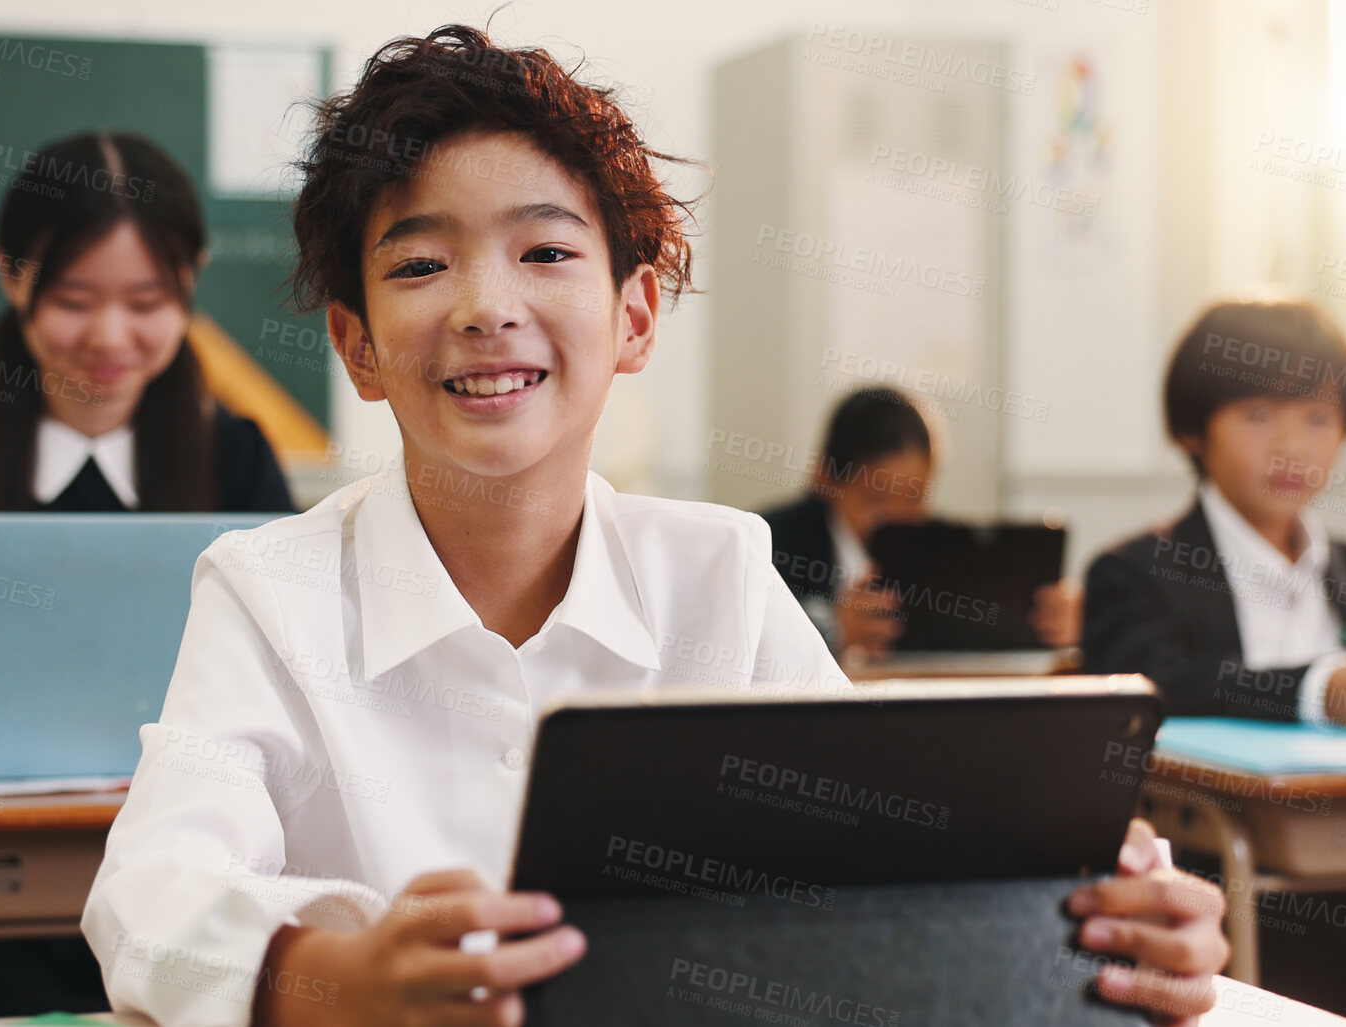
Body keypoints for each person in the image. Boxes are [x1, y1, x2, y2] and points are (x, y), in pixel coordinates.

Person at [83, 26, 1228, 1027]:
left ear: (634, 317)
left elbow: (894, 849)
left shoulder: (720, 572)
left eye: (545, 251)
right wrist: (331, 981)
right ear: (360, 345)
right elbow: (151, 888)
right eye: (423, 263)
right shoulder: (266, 588)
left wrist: (1111, 915)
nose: (487, 305)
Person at [0, 131, 293, 1026]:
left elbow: (289, 693)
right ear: (11, 274)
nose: (110, 338)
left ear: (190, 278)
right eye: (74, 300)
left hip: (176, 895)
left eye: (148, 301)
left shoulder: (232, 454)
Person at [1082, 293, 1346, 730]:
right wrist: (1323, 691)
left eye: (1318, 418)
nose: (1292, 448)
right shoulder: (1134, 574)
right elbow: (1154, 687)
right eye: (1259, 415)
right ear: (1193, 433)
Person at [762, 387, 1079, 658]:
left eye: (914, 498)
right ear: (824, 479)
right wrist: (833, 630)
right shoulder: (770, 545)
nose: (898, 515)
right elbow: (748, 646)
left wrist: (1060, 621)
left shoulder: (953, 549)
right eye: (876, 499)